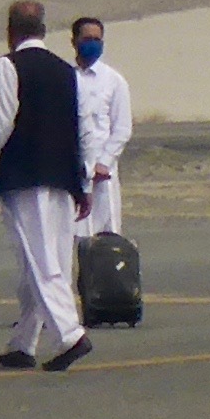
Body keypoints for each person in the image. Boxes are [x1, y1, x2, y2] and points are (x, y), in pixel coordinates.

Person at [0, 0, 92, 370]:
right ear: (43, 29)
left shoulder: (8, 67)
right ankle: (23, 342)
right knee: (43, 260)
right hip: (61, 177)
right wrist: (81, 182)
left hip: (25, 177)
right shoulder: (66, 71)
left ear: (10, 32)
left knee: (41, 262)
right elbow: (79, 130)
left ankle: (70, 335)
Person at [70, 17, 134, 247]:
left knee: (105, 238)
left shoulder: (114, 81)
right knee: (71, 237)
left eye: (98, 39)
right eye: (87, 39)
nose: (93, 44)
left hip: (103, 174)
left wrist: (104, 162)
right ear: (74, 41)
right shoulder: (67, 78)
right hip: (74, 171)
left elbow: (122, 128)